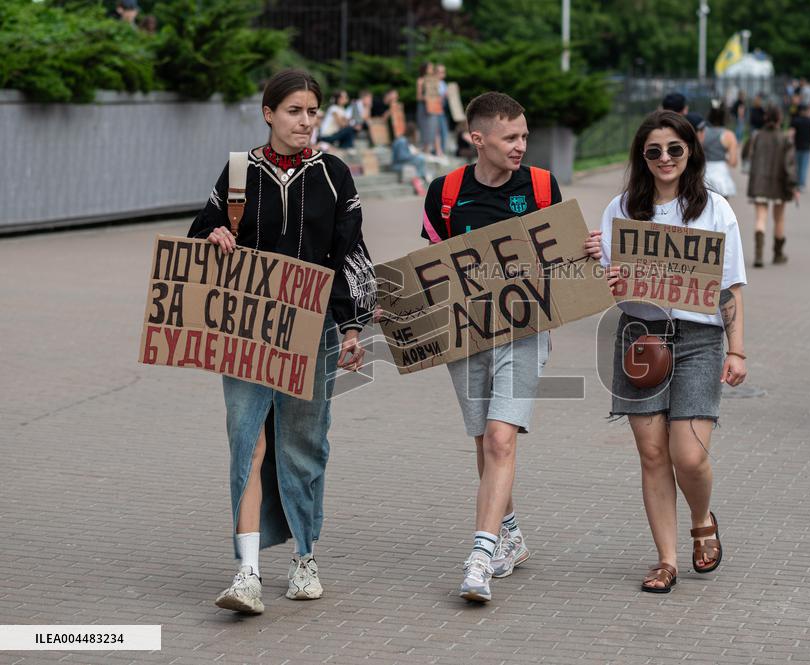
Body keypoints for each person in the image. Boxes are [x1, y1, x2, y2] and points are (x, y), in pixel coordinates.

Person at [187, 69, 375, 615]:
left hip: (313, 333)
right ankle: (245, 571)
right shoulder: (240, 172)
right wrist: (215, 234)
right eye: (294, 110)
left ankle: (303, 556)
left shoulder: (335, 175)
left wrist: (355, 325)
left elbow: (350, 254)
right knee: (248, 441)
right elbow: (202, 232)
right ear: (268, 113)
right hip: (245, 330)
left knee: (304, 445)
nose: (306, 121)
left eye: (313, 111)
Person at [585, 109, 747, 593]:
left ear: (690, 152)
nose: (664, 158)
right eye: (653, 151)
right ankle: (667, 559)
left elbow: (731, 285)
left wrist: (737, 351)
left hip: (699, 339)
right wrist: (601, 271)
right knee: (652, 453)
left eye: (674, 149)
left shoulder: (715, 209)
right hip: (640, 337)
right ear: (642, 156)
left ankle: (702, 519)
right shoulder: (620, 208)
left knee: (689, 455)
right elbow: (609, 287)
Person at [419, 92, 562, 603]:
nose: (521, 146)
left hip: (525, 330)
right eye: (510, 138)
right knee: (484, 440)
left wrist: (588, 251)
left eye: (524, 136)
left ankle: (479, 557)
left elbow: (563, 259)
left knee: (502, 438)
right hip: (466, 332)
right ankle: (510, 534)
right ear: (477, 139)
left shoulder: (542, 187)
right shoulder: (445, 193)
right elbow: (431, 268)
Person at [745, 105, 797, 268]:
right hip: (779, 185)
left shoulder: (757, 136)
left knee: (761, 218)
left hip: (759, 184)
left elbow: (745, 155)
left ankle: (758, 255)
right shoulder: (784, 139)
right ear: (780, 119)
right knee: (779, 219)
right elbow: (789, 165)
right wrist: (793, 186)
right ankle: (778, 254)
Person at [702, 104, 738, 198]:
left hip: (704, 172)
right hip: (721, 173)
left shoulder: (702, 133)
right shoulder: (729, 135)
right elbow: (733, 162)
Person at [416, 62, 443, 155]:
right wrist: (428, 98)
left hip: (433, 108)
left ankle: (437, 150)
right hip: (424, 108)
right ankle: (426, 150)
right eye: (430, 68)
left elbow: (437, 94)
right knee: (426, 128)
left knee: (435, 128)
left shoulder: (434, 81)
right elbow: (418, 97)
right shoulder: (421, 80)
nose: (432, 70)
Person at [789, 105, 810, 191]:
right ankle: (802, 184)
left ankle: (796, 182)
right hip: (807, 147)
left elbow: (791, 134)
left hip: (797, 146)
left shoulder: (795, 121)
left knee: (797, 166)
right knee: (804, 166)